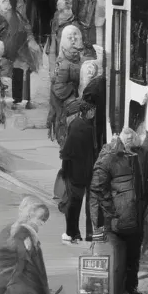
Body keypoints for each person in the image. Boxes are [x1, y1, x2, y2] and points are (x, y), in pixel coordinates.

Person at [90, 127, 148, 294]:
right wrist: (110, 210)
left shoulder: (135, 157)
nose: (131, 147)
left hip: (134, 217)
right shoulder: (110, 158)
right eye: (128, 143)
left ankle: (131, 291)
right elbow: (97, 187)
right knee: (120, 258)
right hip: (118, 218)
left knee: (133, 257)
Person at [59, 98, 96, 245]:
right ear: (88, 112)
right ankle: (84, 234)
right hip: (83, 172)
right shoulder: (86, 128)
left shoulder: (76, 124)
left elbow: (67, 151)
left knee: (74, 203)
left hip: (75, 172)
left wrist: (65, 171)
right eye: (93, 111)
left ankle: (73, 233)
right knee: (80, 204)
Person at [48, 25, 84, 146]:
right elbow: (59, 89)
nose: (73, 39)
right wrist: (73, 94)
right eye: (70, 37)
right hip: (65, 104)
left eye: (75, 35)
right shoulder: (64, 64)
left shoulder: (78, 58)